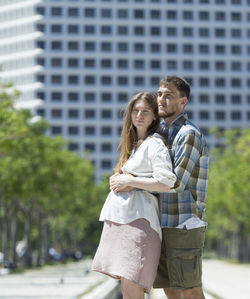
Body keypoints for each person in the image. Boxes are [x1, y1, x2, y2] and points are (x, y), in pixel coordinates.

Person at [110, 76, 209, 299]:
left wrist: (130, 181)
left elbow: (175, 183)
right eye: (160, 93)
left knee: (189, 289)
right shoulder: (161, 135)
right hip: (161, 223)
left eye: (169, 95)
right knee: (170, 290)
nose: (161, 99)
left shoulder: (188, 135)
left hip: (184, 224)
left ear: (183, 102)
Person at [92, 92, 177, 299]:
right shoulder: (134, 146)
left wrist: (129, 181)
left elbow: (167, 181)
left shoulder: (154, 143)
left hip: (138, 224)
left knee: (132, 289)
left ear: (154, 116)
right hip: (122, 223)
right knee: (127, 290)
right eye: (135, 111)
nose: (139, 115)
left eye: (145, 111)